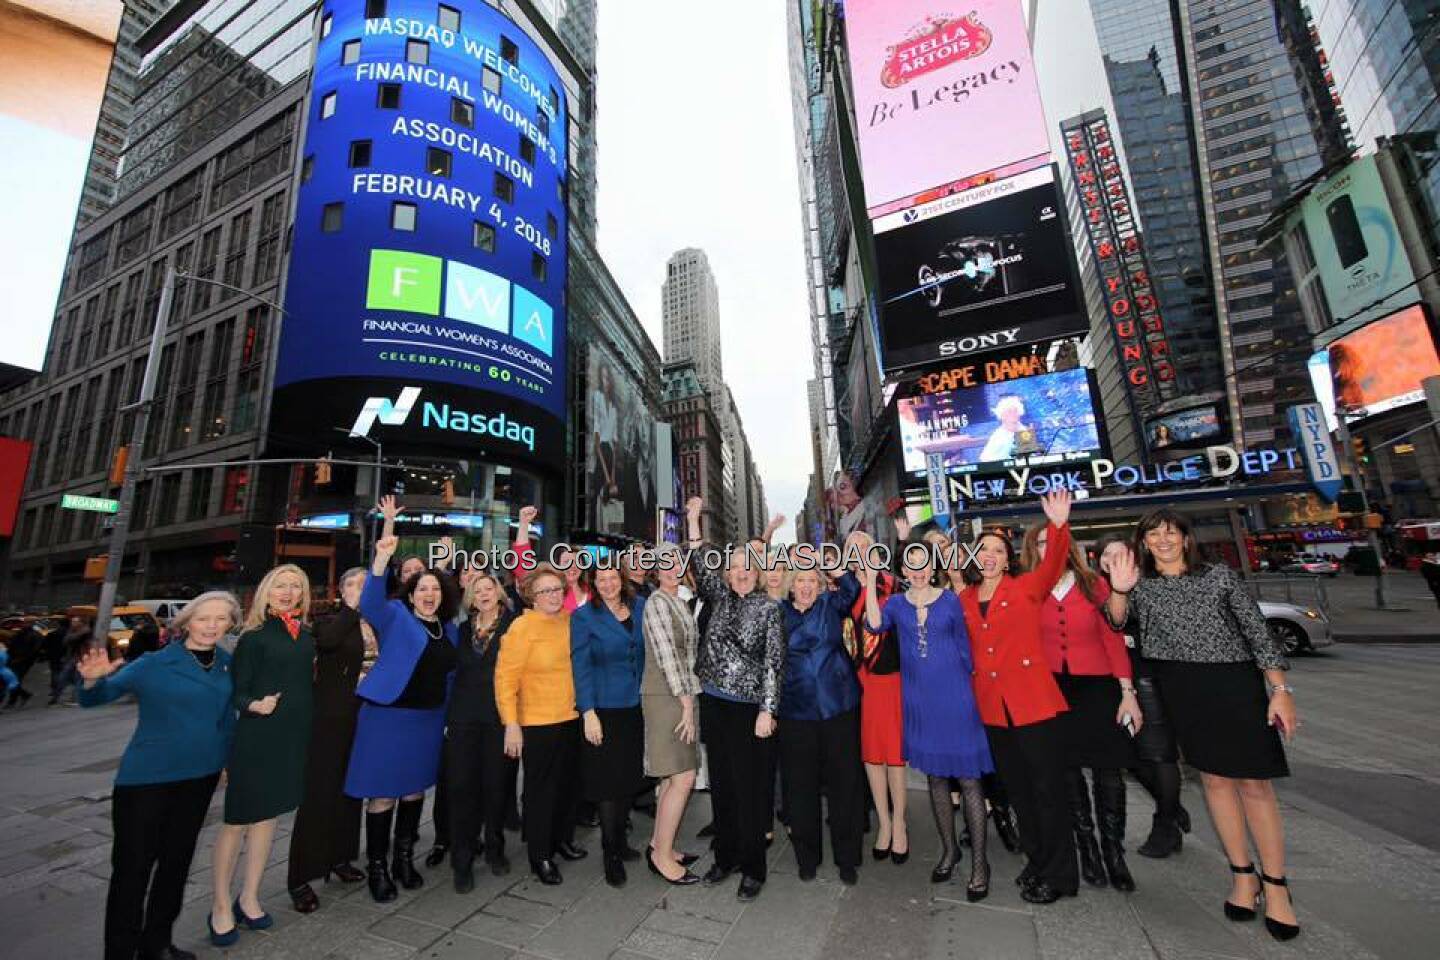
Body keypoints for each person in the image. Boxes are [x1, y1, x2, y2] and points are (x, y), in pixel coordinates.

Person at [1106, 509, 1300, 941]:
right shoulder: (1141, 583)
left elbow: (1256, 631)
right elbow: (1116, 620)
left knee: (1255, 785)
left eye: (1171, 533)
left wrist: (1280, 691)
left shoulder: (1219, 576)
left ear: (1187, 539)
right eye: (1153, 534)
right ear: (1144, 542)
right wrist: (1119, 589)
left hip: (1234, 684)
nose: (1163, 540)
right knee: (1213, 781)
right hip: (1179, 686)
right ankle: (1242, 875)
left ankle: (1277, 885)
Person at [77, 592, 241, 960]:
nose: (212, 626)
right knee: (132, 869)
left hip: (201, 778)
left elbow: (227, 719)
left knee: (176, 863)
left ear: (230, 624)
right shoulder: (154, 663)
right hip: (147, 782)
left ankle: (157, 943)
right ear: (186, 623)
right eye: (203, 618)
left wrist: (228, 762)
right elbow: (98, 696)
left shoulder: (227, 664)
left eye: (221, 619)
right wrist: (91, 681)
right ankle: (119, 951)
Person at [959, 491, 1077, 905]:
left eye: (996, 550)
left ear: (1007, 559)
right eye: (982, 550)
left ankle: (1060, 874)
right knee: (1019, 793)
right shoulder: (965, 600)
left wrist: (1059, 525)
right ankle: (1038, 860)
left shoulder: (1027, 587)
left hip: (1034, 705)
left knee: (1048, 791)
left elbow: (1053, 564)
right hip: (993, 710)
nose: (989, 556)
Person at [863, 535, 993, 901]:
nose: (918, 570)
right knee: (937, 779)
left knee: (968, 783)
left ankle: (980, 865)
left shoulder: (951, 600)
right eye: (911, 563)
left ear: (931, 567)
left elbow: (968, 650)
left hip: (956, 699)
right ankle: (949, 851)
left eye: (923, 562)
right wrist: (872, 580)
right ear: (904, 570)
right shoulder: (896, 605)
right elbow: (874, 626)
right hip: (919, 700)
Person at [347, 506, 461, 903]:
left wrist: (448, 719)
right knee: (383, 794)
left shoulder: (448, 630)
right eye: (421, 590)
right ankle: (377, 868)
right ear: (410, 594)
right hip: (389, 718)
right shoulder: (394, 615)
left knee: (413, 792)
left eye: (435, 590)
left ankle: (403, 858)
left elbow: (451, 677)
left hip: (428, 721)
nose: (429, 595)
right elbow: (370, 605)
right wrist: (382, 555)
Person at [1022, 523, 1140, 893]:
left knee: (1109, 772)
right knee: (1068, 773)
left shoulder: (1094, 584)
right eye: (1041, 543)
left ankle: (1113, 851)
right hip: (1052, 689)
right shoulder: (1029, 587)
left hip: (1098, 686)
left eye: (1054, 541)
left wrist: (1127, 691)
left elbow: (1114, 636)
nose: (1047, 547)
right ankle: (1087, 847)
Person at [686, 496, 785, 902]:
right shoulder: (718, 597)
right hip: (714, 704)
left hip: (749, 711)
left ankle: (753, 868)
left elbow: (775, 664)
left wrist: (768, 710)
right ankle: (725, 858)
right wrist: (693, 519)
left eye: (748, 569)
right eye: (735, 569)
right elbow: (698, 559)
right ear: (726, 575)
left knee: (750, 789)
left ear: (757, 574)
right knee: (723, 787)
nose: (741, 574)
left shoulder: (768, 609)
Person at [209, 565, 314, 944]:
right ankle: (220, 904)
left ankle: (249, 897)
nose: (287, 592)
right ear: (266, 591)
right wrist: (255, 704)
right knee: (237, 821)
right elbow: (236, 691)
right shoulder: (252, 637)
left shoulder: (305, 635)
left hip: (292, 739)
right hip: (257, 736)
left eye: (295, 587)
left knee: (268, 818)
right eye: (280, 585)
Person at [920, 524, 1022, 855]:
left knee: (989, 759)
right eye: (939, 553)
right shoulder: (935, 592)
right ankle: (968, 827)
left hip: (984, 683)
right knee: (955, 766)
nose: (948, 558)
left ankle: (1003, 817)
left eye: (950, 550)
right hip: (947, 689)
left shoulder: (979, 588)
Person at [1093, 533, 1192, 858]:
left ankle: (1166, 823)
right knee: (1128, 757)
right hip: (1110, 683)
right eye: (1108, 555)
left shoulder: (1147, 587)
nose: (1115, 561)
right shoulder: (1094, 589)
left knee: (1157, 753)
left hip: (1147, 680)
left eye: (1122, 554)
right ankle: (1172, 806)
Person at [495, 562, 586, 883]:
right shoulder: (522, 628)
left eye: (556, 589)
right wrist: (511, 724)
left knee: (568, 785)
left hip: (571, 717)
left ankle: (562, 839)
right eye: (544, 590)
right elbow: (505, 680)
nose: (552, 595)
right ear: (530, 596)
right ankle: (540, 854)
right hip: (537, 723)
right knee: (540, 791)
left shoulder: (570, 620)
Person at [285, 567, 369, 913]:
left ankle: (340, 856)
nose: (359, 590)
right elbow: (330, 642)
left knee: (351, 792)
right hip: (330, 717)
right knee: (319, 794)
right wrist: (350, 607)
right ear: (341, 590)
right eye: (352, 584)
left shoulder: (376, 621)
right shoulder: (328, 619)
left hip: (366, 719)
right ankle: (301, 876)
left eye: (365, 585)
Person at [779, 563, 864, 885]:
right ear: (791, 585)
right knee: (800, 788)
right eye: (800, 580)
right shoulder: (778, 613)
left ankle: (847, 857)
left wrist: (834, 566)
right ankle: (807, 857)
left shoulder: (831, 603)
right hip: (795, 712)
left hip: (838, 707)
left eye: (811, 580)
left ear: (820, 585)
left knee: (846, 786)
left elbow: (852, 590)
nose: (805, 586)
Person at [572, 563, 648, 886]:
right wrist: (587, 712)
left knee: (628, 778)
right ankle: (610, 853)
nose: (607, 584)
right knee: (607, 784)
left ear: (622, 579)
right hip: (602, 711)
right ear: (593, 584)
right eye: (600, 580)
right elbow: (581, 666)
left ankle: (621, 840)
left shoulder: (641, 607)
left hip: (636, 706)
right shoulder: (583, 617)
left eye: (612, 578)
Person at [445, 570, 518, 890]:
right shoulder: (462, 630)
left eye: (489, 588)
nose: (484, 594)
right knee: (461, 787)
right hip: (463, 718)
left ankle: (495, 847)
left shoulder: (514, 626)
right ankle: (462, 858)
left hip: (499, 718)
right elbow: (454, 675)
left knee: (496, 786)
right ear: (470, 598)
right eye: (477, 590)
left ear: (499, 593)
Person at [640, 543, 704, 885]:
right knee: (684, 777)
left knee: (670, 777)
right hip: (668, 696)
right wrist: (686, 706)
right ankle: (662, 857)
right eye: (663, 563)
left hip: (679, 693)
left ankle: (659, 844)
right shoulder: (656, 602)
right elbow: (667, 657)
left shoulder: (677, 600)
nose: (671, 568)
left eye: (676, 562)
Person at [844, 529, 908, 864]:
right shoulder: (842, 587)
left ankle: (900, 823)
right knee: (870, 756)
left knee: (894, 755)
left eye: (863, 547)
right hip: (858, 683)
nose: (857, 553)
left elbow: (881, 623)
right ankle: (883, 822)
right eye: (851, 548)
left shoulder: (891, 584)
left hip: (889, 678)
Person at [979, 395, 1029, 462]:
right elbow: (985, 459)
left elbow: (1029, 456)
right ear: (1002, 415)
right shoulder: (998, 435)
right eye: (1009, 412)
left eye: (1015, 411)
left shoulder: (1024, 431)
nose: (1013, 414)